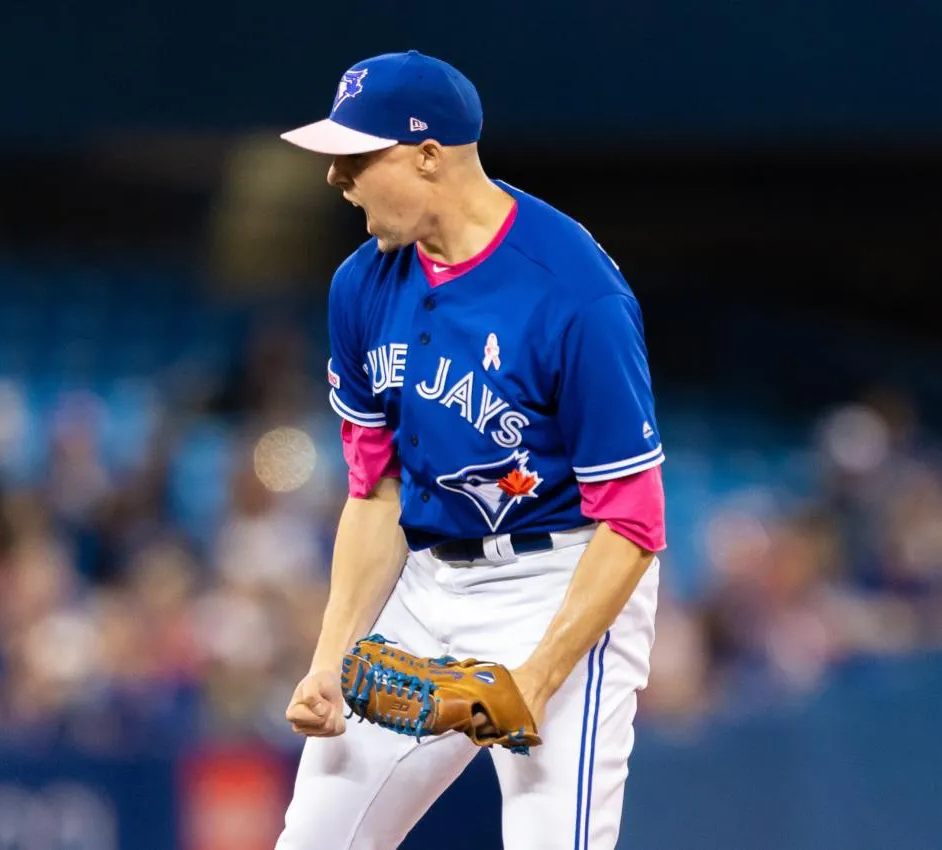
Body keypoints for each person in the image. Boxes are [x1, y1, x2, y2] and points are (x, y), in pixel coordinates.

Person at [276, 50, 667, 850]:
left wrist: (539, 674)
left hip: (562, 584)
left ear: (428, 156)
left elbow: (633, 522)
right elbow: (375, 491)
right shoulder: (361, 285)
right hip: (426, 584)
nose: (334, 179)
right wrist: (330, 656)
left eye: (355, 157)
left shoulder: (574, 291)